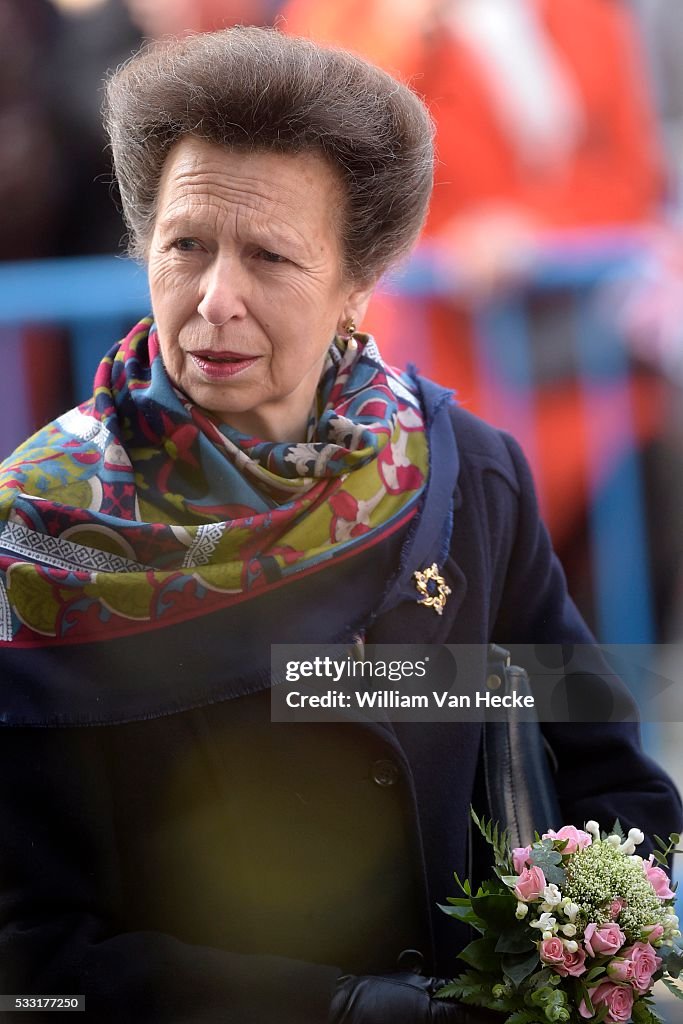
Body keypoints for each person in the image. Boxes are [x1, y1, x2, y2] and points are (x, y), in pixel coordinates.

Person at [0, 27, 679, 1024]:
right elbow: (32, 965)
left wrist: (580, 955)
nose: (214, 299)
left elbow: (608, 776)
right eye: (186, 244)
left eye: (269, 255)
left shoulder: (464, 474)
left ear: (357, 285)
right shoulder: (45, 531)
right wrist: (346, 1008)